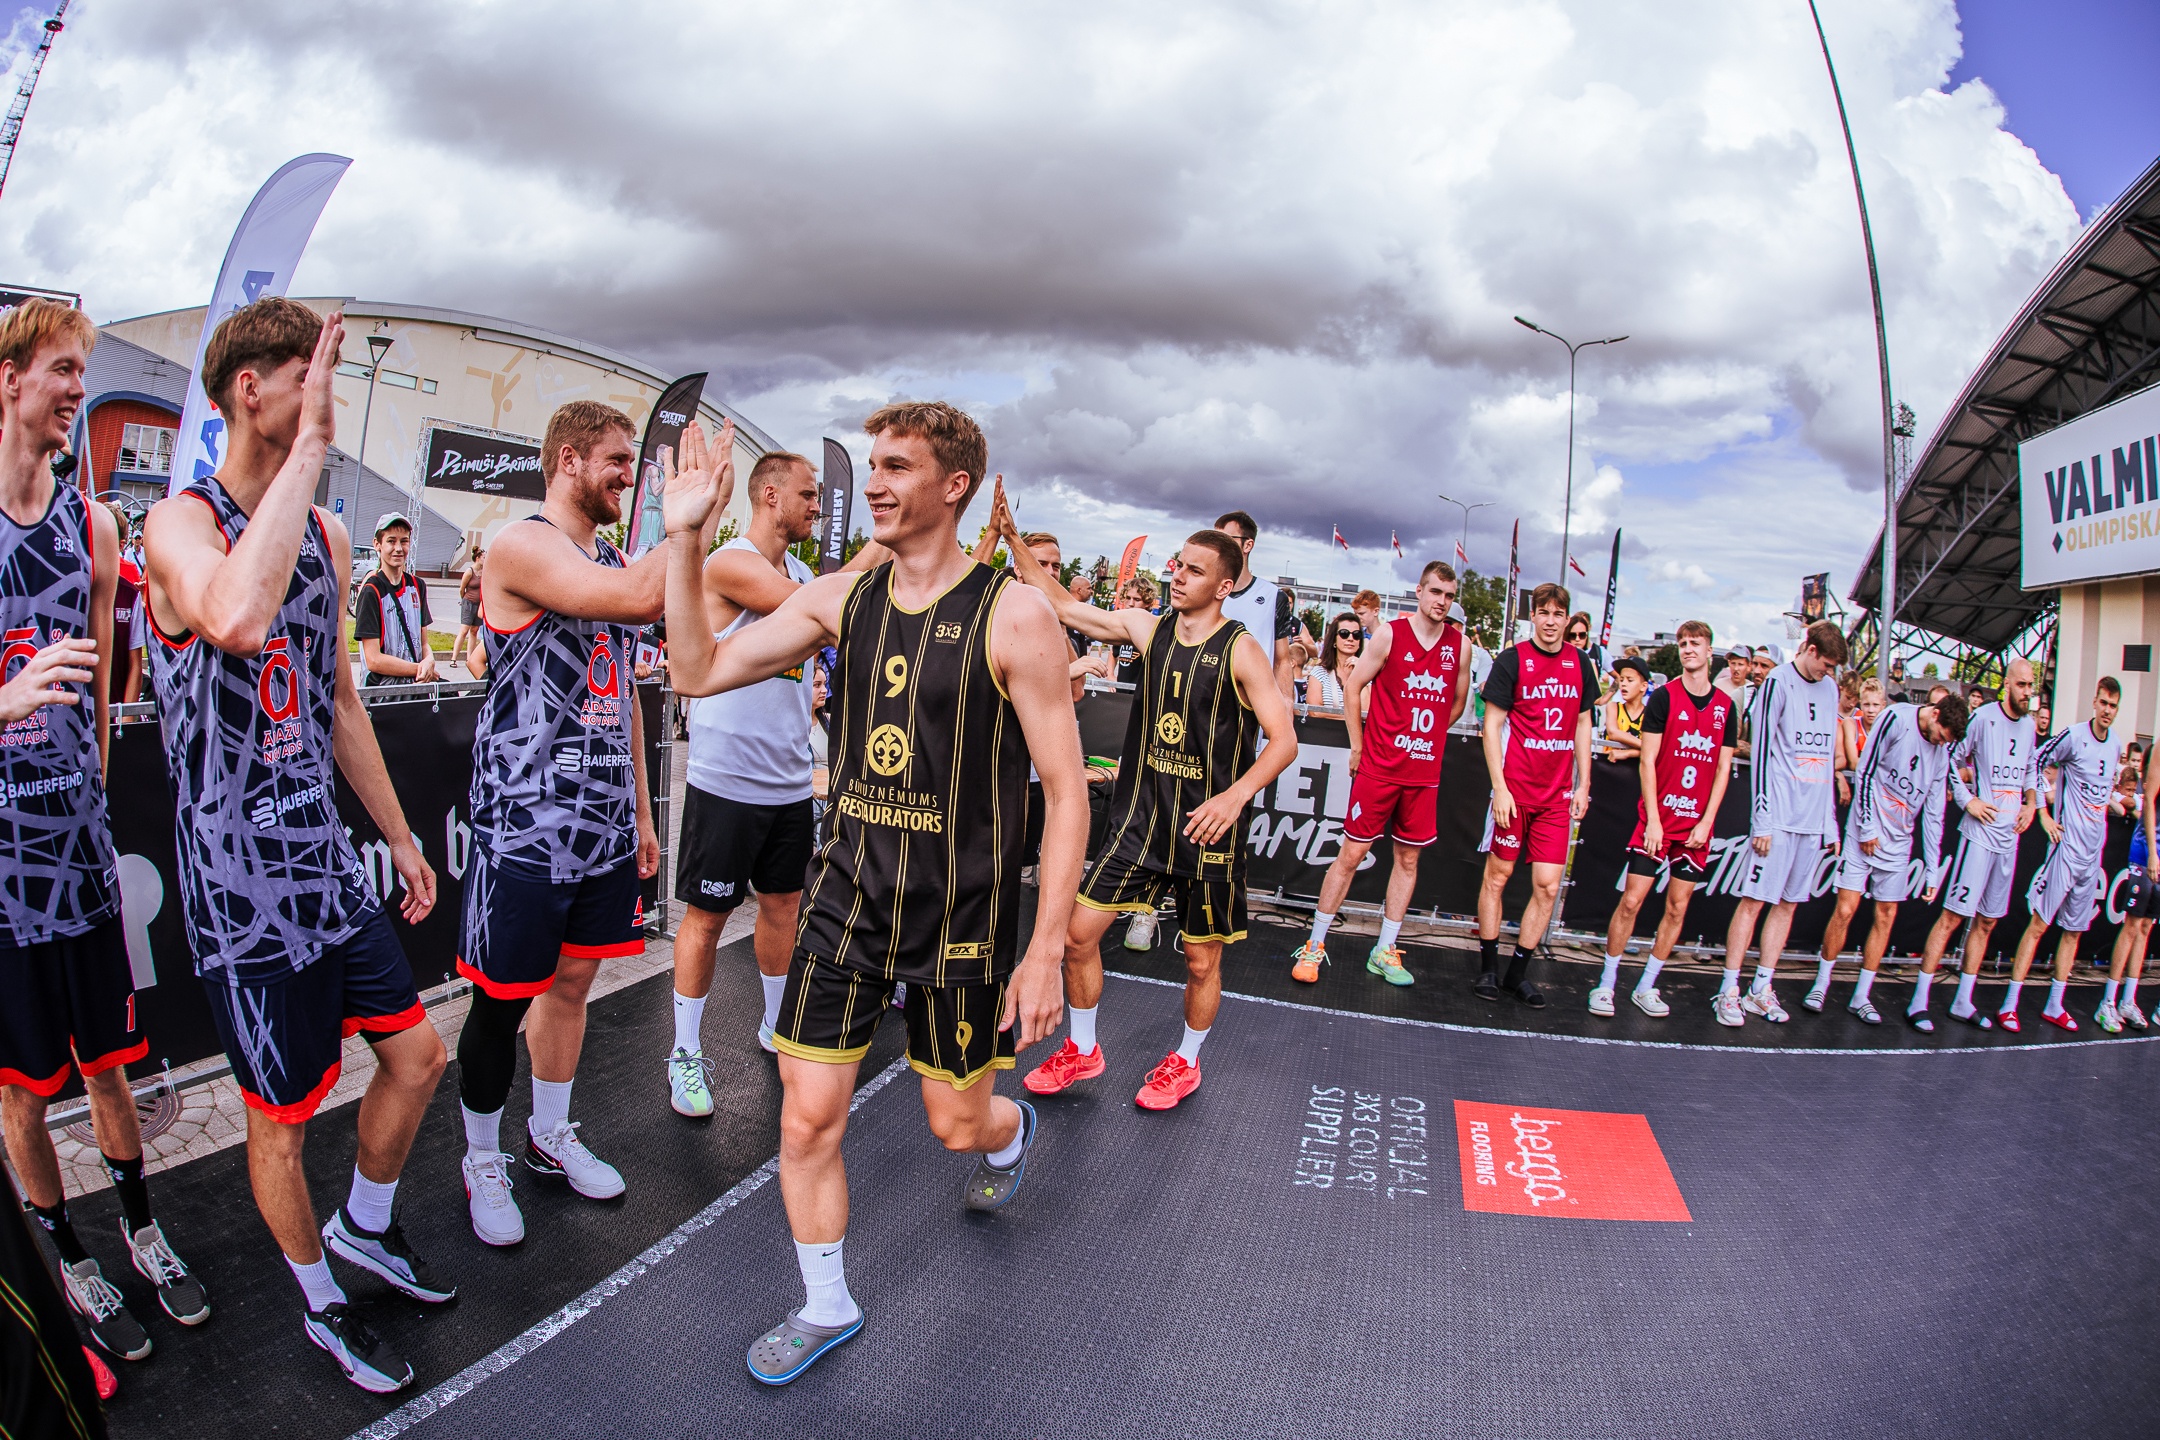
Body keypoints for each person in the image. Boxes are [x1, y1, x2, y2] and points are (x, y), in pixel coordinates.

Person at [661, 402, 1086, 1385]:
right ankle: (827, 1304)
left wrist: (1045, 950)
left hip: (962, 922)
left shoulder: (1014, 615)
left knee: (956, 1124)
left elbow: (1065, 794)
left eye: (899, 466)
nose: (877, 484)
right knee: (805, 1119)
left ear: (954, 486)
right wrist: (685, 540)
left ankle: (1010, 1131)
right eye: (874, 465)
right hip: (845, 904)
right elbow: (695, 668)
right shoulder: (838, 598)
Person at [142, 298, 447, 1393]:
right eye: (304, 375)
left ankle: (364, 1224)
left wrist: (400, 837)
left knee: (418, 1057)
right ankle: (321, 1302)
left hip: (324, 868)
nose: (322, 395)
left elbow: (339, 704)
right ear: (248, 390)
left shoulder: (326, 534)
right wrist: (312, 447)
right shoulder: (177, 525)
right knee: (283, 1120)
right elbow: (233, 618)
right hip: (241, 893)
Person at [0, 301, 209, 1367]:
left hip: (78, 857)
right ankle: (64, 1252)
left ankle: (138, 1229)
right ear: (9, 381)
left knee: (108, 1067)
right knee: (19, 1088)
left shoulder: (93, 528)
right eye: (63, 370)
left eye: (84, 372)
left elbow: (96, 696)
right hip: (2, 878)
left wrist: (88, 795)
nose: (79, 390)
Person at [451, 400, 666, 1250]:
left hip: (602, 825)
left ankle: (548, 1134)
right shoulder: (521, 545)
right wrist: (688, 518)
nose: (627, 476)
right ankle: (481, 1157)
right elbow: (641, 600)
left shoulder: (611, 557)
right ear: (569, 460)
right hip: (527, 824)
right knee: (501, 1002)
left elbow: (625, 693)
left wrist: (641, 810)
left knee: (573, 987)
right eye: (616, 460)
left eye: (631, 462)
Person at [1008, 513, 1298, 1108]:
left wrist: (1234, 796)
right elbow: (1063, 605)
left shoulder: (1241, 649)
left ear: (1224, 586)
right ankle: (1083, 1049)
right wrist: (1013, 540)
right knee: (1078, 937)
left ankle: (1186, 1060)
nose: (1178, 576)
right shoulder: (1149, 628)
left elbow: (1284, 740)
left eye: (1194, 570)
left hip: (1205, 831)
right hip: (1141, 824)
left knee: (1200, 961)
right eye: (1177, 565)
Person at [667, 451, 877, 1115]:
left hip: (786, 781)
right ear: (770, 496)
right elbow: (821, 608)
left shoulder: (806, 574)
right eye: (808, 496)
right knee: (706, 920)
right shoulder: (730, 562)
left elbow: (830, 596)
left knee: (784, 907)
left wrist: (892, 538)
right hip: (726, 780)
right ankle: (685, 1054)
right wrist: (884, 549)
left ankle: (775, 1026)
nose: (818, 507)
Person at [1292, 562, 1464, 987]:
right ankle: (1315, 943)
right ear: (1419, 592)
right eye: (1435, 592)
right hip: (1381, 767)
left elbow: (1457, 703)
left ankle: (1385, 948)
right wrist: (1358, 744)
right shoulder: (1390, 634)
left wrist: (1427, 739)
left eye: (1449, 595)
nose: (1442, 601)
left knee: (1408, 859)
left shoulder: (1460, 646)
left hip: (1422, 772)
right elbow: (1353, 687)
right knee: (1351, 854)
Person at [1591, 620, 1736, 1018]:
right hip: (1659, 819)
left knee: (1677, 907)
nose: (1688, 649)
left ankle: (1647, 985)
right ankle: (1606, 983)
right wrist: (1653, 819)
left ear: (1710, 651)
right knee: (1631, 901)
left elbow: (1723, 769)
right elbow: (1648, 761)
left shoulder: (1726, 707)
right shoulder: (1665, 697)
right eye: (1683, 643)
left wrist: (1707, 821)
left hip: (1695, 825)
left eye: (1696, 643)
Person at [1714, 620, 1847, 1027]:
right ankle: (1729, 989)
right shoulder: (1778, 682)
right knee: (1753, 901)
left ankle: (1761, 989)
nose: (1827, 672)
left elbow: (1827, 756)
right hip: (1779, 817)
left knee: (1788, 905)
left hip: (1811, 820)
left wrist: (1829, 822)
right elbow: (1763, 752)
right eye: (1825, 664)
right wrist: (1763, 819)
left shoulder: (1830, 688)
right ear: (1809, 650)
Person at [1804, 695, 1966, 1027]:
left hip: (1899, 841)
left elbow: (1934, 814)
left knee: (1886, 915)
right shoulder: (1896, 719)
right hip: (1864, 831)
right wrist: (1866, 827)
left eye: (1947, 741)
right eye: (1941, 735)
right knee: (1845, 909)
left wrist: (1932, 870)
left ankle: (1861, 995)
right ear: (1935, 714)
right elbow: (1864, 772)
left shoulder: (1942, 753)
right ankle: (1821, 984)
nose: (1941, 743)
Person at [1473, 583, 1597, 1007]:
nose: (1550, 621)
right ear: (1533, 616)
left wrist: (1584, 784)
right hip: (1515, 792)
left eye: (1558, 614)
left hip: (1556, 798)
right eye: (1543, 612)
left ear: (1567, 618)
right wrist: (1500, 788)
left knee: (1547, 886)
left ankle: (1517, 974)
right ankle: (1488, 968)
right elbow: (1491, 726)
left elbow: (1583, 724)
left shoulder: (1580, 663)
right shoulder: (1512, 660)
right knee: (1498, 877)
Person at [1907, 658, 2040, 1030]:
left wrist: (2031, 804)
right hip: (1979, 834)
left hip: (2008, 839)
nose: (2027, 692)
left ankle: (1963, 1001)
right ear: (2007, 684)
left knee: (1987, 922)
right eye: (2022, 685)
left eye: (2031, 686)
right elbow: (1949, 757)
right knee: (1952, 917)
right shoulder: (1983, 719)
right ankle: (1919, 1001)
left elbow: (2031, 768)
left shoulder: (2030, 726)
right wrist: (1968, 801)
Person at [1998, 678, 2121, 1033]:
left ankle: (2055, 1005)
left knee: (2074, 932)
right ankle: (2010, 1004)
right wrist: (2043, 813)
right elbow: (2037, 759)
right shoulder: (2073, 736)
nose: (2107, 711)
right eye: (2103, 703)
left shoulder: (2115, 744)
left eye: (2113, 706)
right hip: (2066, 849)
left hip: (2092, 856)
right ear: (2094, 702)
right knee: (2039, 925)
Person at [1211, 510, 1302, 702]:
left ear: (1248, 545)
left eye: (1226, 539)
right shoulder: (1206, 591)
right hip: (1208, 701)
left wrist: (1286, 705)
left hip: (1253, 706)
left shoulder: (1273, 597)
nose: (1218, 545)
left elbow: (1282, 661)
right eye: (1215, 538)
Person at [2107, 743, 2160, 1032]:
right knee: (2132, 925)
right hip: (2145, 850)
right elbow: (2149, 799)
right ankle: (2108, 1001)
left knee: (2145, 928)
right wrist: (2152, 852)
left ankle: (2128, 1000)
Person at [353, 513, 437, 688]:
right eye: (391, 541)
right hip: (382, 693)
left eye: (404, 541)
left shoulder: (417, 586)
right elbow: (374, 660)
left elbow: (423, 643)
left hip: (415, 687)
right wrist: (419, 669)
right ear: (377, 544)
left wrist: (429, 659)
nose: (398, 548)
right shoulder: (371, 591)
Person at [102, 502, 144, 706]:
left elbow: (135, 665)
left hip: (114, 710)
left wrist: (126, 717)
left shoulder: (130, 596)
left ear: (120, 544)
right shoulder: (75, 590)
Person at [1306, 610, 1364, 711]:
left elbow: (1366, 711)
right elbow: (1315, 712)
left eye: (1356, 634)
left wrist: (1359, 673)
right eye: (1344, 633)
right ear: (1334, 639)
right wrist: (1350, 717)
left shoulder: (1367, 674)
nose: (1350, 638)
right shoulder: (1320, 673)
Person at [1601, 656, 1649, 762]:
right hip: (1609, 767)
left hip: (1637, 770)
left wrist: (1628, 753)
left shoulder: (1649, 714)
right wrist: (1646, 746)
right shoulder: (1614, 707)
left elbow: (1657, 750)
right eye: (1621, 679)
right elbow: (1613, 732)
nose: (1623, 684)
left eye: (1630, 680)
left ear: (1643, 686)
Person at [450, 546, 485, 678]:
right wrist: (464, 600)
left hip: (479, 604)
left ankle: (470, 658)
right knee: (464, 630)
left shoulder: (484, 572)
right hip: (468, 603)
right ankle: (454, 658)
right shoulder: (470, 571)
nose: (486, 559)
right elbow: (462, 588)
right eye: (484, 557)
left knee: (474, 631)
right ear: (478, 558)